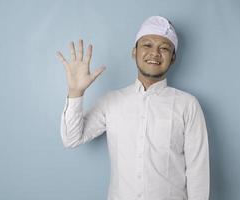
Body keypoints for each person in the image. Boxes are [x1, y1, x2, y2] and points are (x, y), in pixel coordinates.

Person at [57, 16, 210, 200]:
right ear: (134, 52)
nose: (155, 53)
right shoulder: (111, 101)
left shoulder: (187, 105)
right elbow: (71, 139)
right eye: (147, 45)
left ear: (173, 58)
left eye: (164, 48)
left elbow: (198, 172)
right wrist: (75, 92)